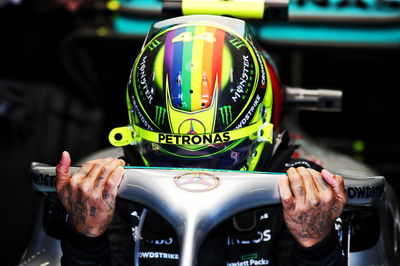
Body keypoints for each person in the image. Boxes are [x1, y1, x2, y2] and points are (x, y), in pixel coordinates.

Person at [55, 15, 347, 265]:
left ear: (261, 127)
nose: (196, 171)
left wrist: (315, 242)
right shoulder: (106, 191)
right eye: (172, 149)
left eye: (217, 148)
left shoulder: (309, 194)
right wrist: (86, 236)